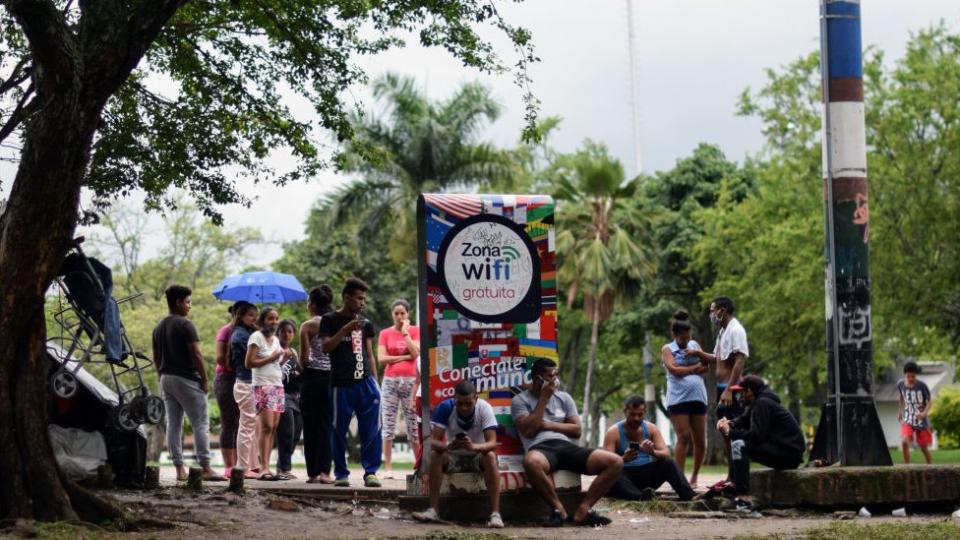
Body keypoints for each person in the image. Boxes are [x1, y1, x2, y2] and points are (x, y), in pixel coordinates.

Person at [511, 359, 622, 527]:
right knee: (531, 462)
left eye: (557, 375)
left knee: (615, 462)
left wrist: (548, 425)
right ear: (537, 378)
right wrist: (543, 399)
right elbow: (528, 430)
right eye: (551, 376)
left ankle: (583, 511)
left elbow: (577, 430)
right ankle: (559, 510)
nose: (555, 379)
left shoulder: (564, 398)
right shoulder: (520, 400)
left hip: (566, 446)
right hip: (541, 448)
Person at [152, 285, 224, 481]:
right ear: (178, 302)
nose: (189, 306)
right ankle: (206, 468)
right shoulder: (185, 325)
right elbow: (196, 354)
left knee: (173, 425)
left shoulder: (158, 327)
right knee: (201, 424)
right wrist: (205, 379)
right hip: (187, 379)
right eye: (188, 302)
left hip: (166, 378)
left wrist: (161, 375)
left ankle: (179, 470)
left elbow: (156, 356)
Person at [411, 381, 503, 528]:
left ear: (476, 399)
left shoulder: (484, 408)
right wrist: (449, 445)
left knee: (491, 456)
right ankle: (433, 510)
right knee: (436, 455)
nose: (464, 407)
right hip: (453, 455)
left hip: (476, 455)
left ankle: (495, 514)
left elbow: (492, 443)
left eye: (468, 403)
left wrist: (474, 446)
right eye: (459, 403)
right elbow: (432, 443)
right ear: (454, 399)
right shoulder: (445, 407)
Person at [320, 277, 382, 487]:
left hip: (365, 383)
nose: (362, 302)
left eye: (364, 299)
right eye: (358, 298)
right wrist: (345, 330)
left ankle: (371, 472)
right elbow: (326, 347)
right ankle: (341, 474)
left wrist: (375, 382)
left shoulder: (365, 323)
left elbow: (370, 353)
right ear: (346, 297)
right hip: (341, 384)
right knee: (338, 429)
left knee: (371, 429)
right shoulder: (329, 319)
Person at [716, 375, 804, 512]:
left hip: (788, 455)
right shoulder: (760, 401)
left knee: (739, 445)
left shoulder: (763, 404)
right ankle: (734, 487)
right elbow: (744, 419)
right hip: (785, 452)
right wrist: (730, 423)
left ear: (749, 391)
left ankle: (743, 500)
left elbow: (756, 437)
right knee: (739, 443)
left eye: (741, 393)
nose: (739, 397)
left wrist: (729, 433)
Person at [684, 296, 749, 465]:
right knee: (724, 431)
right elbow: (716, 358)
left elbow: (739, 361)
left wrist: (730, 389)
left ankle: (738, 475)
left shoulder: (736, 330)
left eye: (712, 310)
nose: (711, 314)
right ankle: (731, 474)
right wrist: (698, 354)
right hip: (722, 389)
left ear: (722, 310)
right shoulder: (722, 331)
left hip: (732, 390)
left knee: (734, 431)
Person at [602, 396, 695, 501]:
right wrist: (623, 459)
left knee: (668, 463)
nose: (636, 418)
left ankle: (690, 496)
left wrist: (652, 452)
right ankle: (640, 497)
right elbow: (605, 463)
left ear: (645, 412)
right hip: (624, 477)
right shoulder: (613, 432)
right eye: (632, 414)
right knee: (612, 473)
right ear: (625, 411)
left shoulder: (651, 428)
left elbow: (666, 453)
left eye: (640, 414)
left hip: (647, 475)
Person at [661, 309, 708, 486]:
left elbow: (706, 367)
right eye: (682, 339)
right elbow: (674, 370)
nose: (686, 342)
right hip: (678, 398)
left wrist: (692, 366)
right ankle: (679, 479)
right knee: (683, 437)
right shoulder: (667, 349)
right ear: (675, 335)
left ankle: (694, 476)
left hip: (698, 397)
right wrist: (693, 369)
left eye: (688, 338)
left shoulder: (695, 346)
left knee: (700, 440)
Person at [378, 299, 421, 479]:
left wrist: (405, 334)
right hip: (390, 381)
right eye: (396, 313)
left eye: (402, 313)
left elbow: (416, 353)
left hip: (412, 381)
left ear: (408, 314)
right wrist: (404, 357)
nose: (399, 316)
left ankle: (419, 465)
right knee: (388, 424)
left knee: (413, 424)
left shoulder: (415, 331)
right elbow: (381, 358)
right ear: (392, 314)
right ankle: (388, 468)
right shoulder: (385, 333)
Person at [246, 306, 290, 481]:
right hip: (262, 386)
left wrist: (283, 357)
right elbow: (249, 363)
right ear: (262, 320)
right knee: (266, 427)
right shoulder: (256, 337)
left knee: (273, 429)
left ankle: (267, 466)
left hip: (277, 386)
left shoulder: (276, 340)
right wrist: (272, 358)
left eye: (276, 318)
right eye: (270, 318)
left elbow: (275, 363)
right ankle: (262, 467)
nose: (274, 322)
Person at [299, 285, 336, 484]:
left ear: (311, 304)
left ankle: (312, 473)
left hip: (311, 379)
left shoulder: (307, 326)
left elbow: (304, 360)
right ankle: (325, 473)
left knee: (310, 426)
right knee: (326, 426)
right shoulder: (336, 324)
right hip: (331, 379)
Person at [213, 301, 252, 478]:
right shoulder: (226, 331)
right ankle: (229, 465)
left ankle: (241, 463)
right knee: (229, 422)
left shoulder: (250, 332)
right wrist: (236, 367)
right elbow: (220, 357)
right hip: (226, 379)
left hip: (244, 380)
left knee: (242, 423)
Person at [230, 302, 261, 478]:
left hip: (251, 383)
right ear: (241, 316)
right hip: (245, 383)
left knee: (253, 426)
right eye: (250, 315)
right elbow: (258, 356)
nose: (254, 319)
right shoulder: (241, 336)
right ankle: (242, 467)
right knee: (247, 426)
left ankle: (253, 465)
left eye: (255, 315)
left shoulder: (248, 333)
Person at [276, 319, 303, 480]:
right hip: (281, 395)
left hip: (295, 396)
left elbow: (299, 369)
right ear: (278, 332)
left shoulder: (293, 350)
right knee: (287, 431)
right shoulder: (275, 349)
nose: (286, 334)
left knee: (296, 434)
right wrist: (281, 359)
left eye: (290, 332)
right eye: (283, 331)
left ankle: (283, 466)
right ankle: (284, 469)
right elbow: (271, 370)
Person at [898, 361, 934, 464]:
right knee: (904, 442)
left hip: (921, 421)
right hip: (908, 419)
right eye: (908, 376)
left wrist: (924, 414)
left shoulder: (922, 386)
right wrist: (899, 411)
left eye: (913, 376)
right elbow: (901, 396)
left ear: (916, 375)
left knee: (923, 448)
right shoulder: (900, 384)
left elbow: (930, 402)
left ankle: (931, 469)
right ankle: (907, 468)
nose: (910, 379)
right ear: (905, 375)